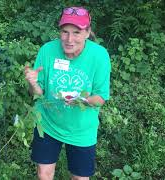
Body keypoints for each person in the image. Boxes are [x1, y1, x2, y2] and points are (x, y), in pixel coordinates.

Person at [24, 6, 111, 180]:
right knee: (44, 174)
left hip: (81, 130)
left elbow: (101, 97)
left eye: (76, 32)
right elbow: (38, 94)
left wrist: (81, 100)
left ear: (87, 32)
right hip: (48, 123)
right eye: (65, 32)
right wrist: (32, 83)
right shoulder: (47, 50)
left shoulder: (99, 56)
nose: (69, 39)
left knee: (80, 178)